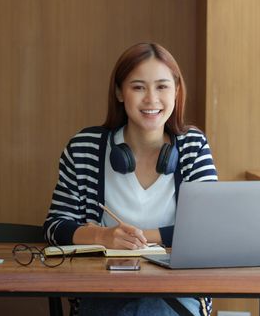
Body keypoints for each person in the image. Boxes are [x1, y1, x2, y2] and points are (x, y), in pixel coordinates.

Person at [43, 42, 218, 316]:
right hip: (101, 291)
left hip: (177, 292)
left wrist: (139, 239)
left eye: (162, 86)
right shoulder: (84, 148)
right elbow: (55, 228)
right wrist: (103, 236)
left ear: (176, 91)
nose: (151, 99)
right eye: (138, 87)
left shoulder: (192, 145)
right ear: (119, 92)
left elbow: (209, 229)